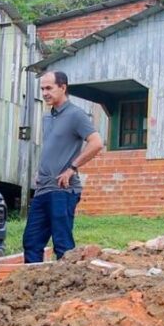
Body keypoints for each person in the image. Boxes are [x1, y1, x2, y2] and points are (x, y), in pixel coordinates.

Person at [22, 71, 103, 264]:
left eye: (49, 88)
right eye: (42, 89)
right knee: (31, 241)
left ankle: (66, 292)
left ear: (63, 87)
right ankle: (34, 291)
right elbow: (54, 148)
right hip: (43, 189)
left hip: (63, 190)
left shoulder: (75, 115)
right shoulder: (47, 117)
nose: (45, 93)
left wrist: (72, 168)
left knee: (62, 245)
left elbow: (96, 142)